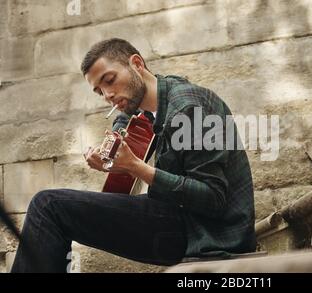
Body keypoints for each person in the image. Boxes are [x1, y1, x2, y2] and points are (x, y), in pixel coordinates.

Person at [11, 38, 256, 273]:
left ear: (137, 64)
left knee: (48, 206)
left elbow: (214, 199)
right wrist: (109, 151)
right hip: (183, 221)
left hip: (206, 233)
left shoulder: (188, 107)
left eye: (110, 80)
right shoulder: (158, 99)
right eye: (99, 91)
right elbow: (126, 119)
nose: (107, 95)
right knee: (50, 207)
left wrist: (135, 167)